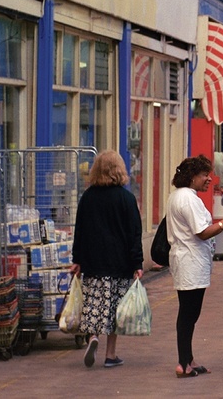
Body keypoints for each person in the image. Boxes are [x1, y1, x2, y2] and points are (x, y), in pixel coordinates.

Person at [166, 156, 223, 378]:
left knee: (190, 313)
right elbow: (202, 232)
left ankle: (188, 359)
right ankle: (183, 363)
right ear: (192, 177)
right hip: (190, 261)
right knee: (188, 313)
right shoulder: (188, 199)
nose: (209, 179)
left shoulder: (179, 196)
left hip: (189, 260)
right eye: (204, 175)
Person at [70, 150, 144, 369]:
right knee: (114, 308)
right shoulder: (127, 198)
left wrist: (77, 259)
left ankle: (93, 336)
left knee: (94, 302)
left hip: (93, 261)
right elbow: (134, 233)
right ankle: (110, 354)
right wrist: (137, 263)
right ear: (120, 169)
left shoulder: (88, 197)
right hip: (119, 263)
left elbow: (80, 230)